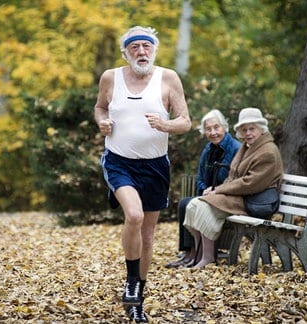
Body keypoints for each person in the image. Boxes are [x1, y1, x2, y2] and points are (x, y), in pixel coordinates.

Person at [94, 25, 191, 323]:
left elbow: (185, 121)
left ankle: (138, 299)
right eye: (134, 47)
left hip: (155, 166)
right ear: (125, 52)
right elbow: (99, 108)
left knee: (147, 237)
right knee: (134, 216)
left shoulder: (168, 78)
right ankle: (131, 282)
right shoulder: (111, 77)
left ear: (154, 50)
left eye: (146, 46)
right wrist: (102, 122)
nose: (141, 51)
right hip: (119, 161)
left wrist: (165, 125)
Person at [183, 107, 283, 269]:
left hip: (256, 201)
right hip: (242, 196)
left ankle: (208, 258)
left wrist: (218, 191)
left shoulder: (268, 152)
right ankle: (202, 254)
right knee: (193, 205)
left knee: (202, 206)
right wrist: (214, 191)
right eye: (244, 130)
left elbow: (250, 183)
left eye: (252, 129)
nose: (248, 133)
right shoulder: (248, 147)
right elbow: (233, 175)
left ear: (261, 129)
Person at [164, 109, 240, 268]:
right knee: (184, 203)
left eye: (216, 127)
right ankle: (189, 253)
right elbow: (200, 177)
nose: (213, 132)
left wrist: (216, 190)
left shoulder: (235, 149)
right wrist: (204, 188)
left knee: (191, 204)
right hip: (209, 194)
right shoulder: (208, 149)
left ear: (224, 127)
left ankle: (197, 254)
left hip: (225, 197)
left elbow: (236, 180)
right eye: (208, 129)